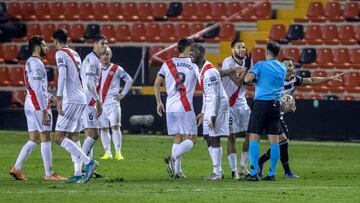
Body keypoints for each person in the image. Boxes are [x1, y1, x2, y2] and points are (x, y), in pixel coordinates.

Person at [258, 57, 344, 179]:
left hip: (278, 116)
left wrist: (330, 78)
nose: (288, 68)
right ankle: (284, 171)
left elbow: (312, 80)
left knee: (283, 142)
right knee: (282, 141)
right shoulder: (274, 80)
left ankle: (263, 163)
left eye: (290, 65)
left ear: (294, 68)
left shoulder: (294, 80)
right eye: (285, 65)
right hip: (269, 114)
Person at [10, 36, 66, 181]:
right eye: (44, 45)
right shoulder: (38, 65)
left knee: (34, 139)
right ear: (37, 47)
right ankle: (49, 174)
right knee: (45, 137)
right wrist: (44, 111)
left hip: (29, 102)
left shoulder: (29, 62)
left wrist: (51, 96)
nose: (47, 48)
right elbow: (38, 90)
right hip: (38, 105)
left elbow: (36, 88)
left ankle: (16, 168)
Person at [52, 28, 97, 184]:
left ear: (55, 41)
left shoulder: (60, 53)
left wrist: (59, 98)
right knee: (73, 136)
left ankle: (88, 162)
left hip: (70, 99)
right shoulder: (75, 54)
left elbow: (63, 75)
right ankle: (77, 173)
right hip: (81, 97)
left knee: (58, 137)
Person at [154, 38, 198, 179]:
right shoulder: (193, 64)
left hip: (170, 106)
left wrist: (158, 102)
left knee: (178, 138)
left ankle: (178, 172)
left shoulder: (167, 63)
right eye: (193, 48)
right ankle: (172, 158)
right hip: (184, 106)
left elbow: (156, 84)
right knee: (192, 138)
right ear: (187, 49)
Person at [243, 41, 286, 181]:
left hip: (261, 103)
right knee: (274, 140)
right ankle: (271, 174)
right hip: (275, 104)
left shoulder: (260, 65)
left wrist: (250, 74)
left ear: (267, 52)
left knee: (254, 137)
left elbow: (247, 79)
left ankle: (254, 172)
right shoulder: (283, 67)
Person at [191, 43, 230, 180]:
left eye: (193, 51)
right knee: (207, 135)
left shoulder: (209, 72)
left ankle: (217, 172)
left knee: (214, 135)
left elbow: (214, 95)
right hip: (210, 103)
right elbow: (206, 92)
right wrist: (203, 112)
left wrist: (212, 115)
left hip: (219, 104)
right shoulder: (198, 68)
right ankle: (218, 169)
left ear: (202, 53)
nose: (190, 54)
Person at [220, 40, 253, 179]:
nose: (242, 49)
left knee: (251, 134)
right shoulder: (228, 62)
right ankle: (234, 171)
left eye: (244, 47)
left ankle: (243, 167)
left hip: (243, 103)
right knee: (231, 137)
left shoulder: (249, 62)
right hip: (230, 104)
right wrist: (246, 71)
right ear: (232, 49)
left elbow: (249, 82)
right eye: (239, 47)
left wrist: (249, 75)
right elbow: (238, 81)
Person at [98, 47, 133, 160]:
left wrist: (122, 94)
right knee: (103, 128)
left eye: (107, 54)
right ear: (100, 55)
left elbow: (129, 80)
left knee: (115, 126)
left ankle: (118, 152)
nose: (105, 56)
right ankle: (107, 152)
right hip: (99, 103)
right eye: (103, 54)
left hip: (113, 103)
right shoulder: (95, 68)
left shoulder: (117, 69)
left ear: (111, 55)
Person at [80, 33, 108, 165]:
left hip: (87, 99)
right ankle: (81, 164)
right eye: (103, 43)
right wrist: (98, 101)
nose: (105, 46)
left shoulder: (93, 59)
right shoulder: (93, 60)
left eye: (107, 44)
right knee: (94, 134)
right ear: (95, 44)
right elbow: (90, 83)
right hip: (88, 100)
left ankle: (87, 165)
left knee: (89, 133)